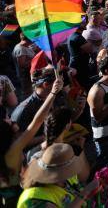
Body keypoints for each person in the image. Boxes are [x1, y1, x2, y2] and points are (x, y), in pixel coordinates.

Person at [0, 73, 63, 205]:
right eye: (9, 122)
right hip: (19, 199)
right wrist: (52, 94)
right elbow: (37, 122)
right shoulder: (13, 152)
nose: (11, 120)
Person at [17, 143, 97, 208]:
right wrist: (85, 192)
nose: (73, 170)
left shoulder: (66, 178)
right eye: (70, 167)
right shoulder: (34, 198)